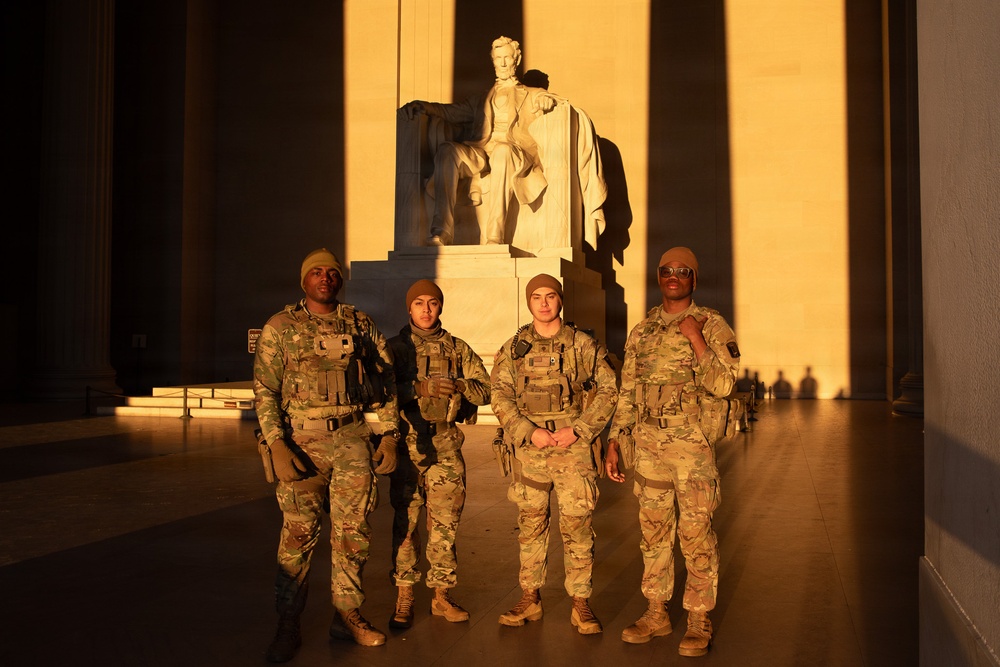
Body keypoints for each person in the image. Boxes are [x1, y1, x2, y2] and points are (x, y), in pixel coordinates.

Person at [253, 248, 402, 662]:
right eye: (316, 273)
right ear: (304, 280)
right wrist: (277, 444)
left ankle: (347, 614)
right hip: (301, 442)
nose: (325, 279)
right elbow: (265, 390)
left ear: (341, 280)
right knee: (298, 537)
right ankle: (288, 622)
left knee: (353, 533)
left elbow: (385, 378)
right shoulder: (280, 327)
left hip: (352, 438)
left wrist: (389, 434)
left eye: (332, 273)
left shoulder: (359, 324)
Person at [605, 247, 740, 657]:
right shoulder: (642, 331)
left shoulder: (712, 324)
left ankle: (699, 617)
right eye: (667, 271)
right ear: (659, 276)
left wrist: (696, 338)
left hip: (691, 446)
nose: (674, 276)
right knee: (653, 533)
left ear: (693, 280)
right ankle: (656, 611)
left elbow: (724, 384)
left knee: (696, 533)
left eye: (683, 272)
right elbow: (627, 391)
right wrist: (615, 440)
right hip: (647, 445)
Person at [490, 273, 618, 634]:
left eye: (550, 296)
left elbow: (610, 390)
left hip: (572, 449)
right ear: (528, 303)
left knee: (577, 527)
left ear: (560, 300)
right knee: (531, 526)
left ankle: (580, 603)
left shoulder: (582, 344)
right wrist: (528, 431)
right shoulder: (514, 347)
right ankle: (529, 598)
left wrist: (578, 430)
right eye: (537, 297)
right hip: (531, 451)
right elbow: (498, 395)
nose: (544, 303)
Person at [386, 280, 491, 628]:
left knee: (445, 524)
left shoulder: (457, 348)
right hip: (408, 447)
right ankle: (404, 594)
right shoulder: (396, 348)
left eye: (433, 303)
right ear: (409, 308)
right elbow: (378, 391)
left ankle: (442, 595)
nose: (426, 309)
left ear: (441, 307)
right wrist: (418, 388)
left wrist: (460, 385)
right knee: (406, 523)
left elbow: (486, 389)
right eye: (419, 303)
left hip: (446, 447)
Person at [400, 36, 560, 246]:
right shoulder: (479, 100)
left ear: (516, 59)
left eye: (507, 58)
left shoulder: (532, 94)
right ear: (493, 61)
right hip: (481, 152)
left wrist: (547, 100)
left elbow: (555, 101)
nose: (502, 63)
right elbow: (449, 112)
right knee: (448, 151)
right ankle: (441, 231)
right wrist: (424, 107)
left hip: (513, 153)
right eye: (498, 58)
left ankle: (495, 235)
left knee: (503, 151)